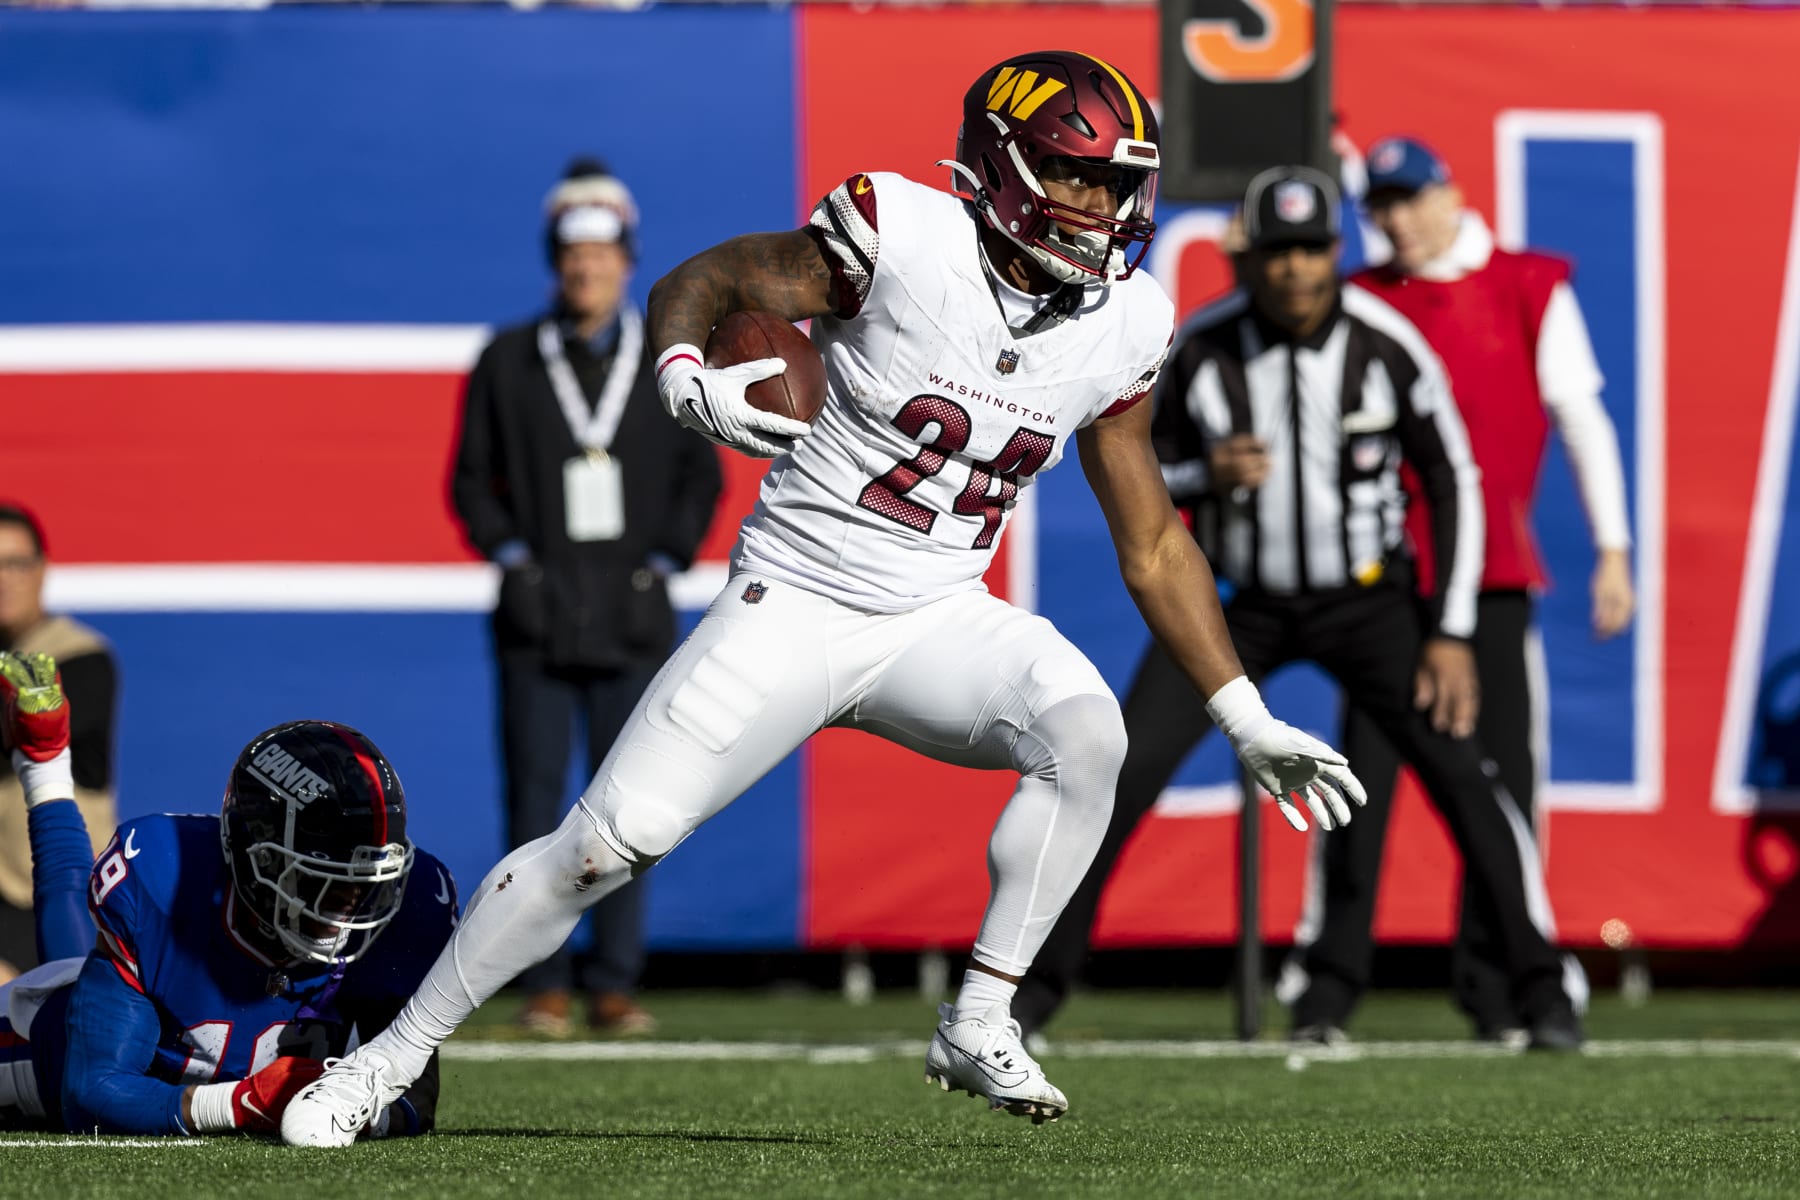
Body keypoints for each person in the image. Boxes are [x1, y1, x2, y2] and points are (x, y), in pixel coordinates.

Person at [281, 51, 1363, 1145]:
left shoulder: (1126, 321)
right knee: (608, 844)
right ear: (1000, 165)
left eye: (1114, 183)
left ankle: (981, 1013)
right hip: (794, 598)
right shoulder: (902, 233)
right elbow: (703, 285)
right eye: (1070, 173)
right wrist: (684, 377)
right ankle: (384, 1061)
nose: (1099, 205)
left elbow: (1154, 540)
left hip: (938, 612)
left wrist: (1245, 714)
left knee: (1087, 736)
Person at [1010, 166, 1585, 1050]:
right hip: (1238, 608)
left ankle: (1543, 992)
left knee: (1468, 784)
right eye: (1278, 253)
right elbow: (1132, 471)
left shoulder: (1386, 341)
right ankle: (1029, 997)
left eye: (1312, 250)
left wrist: (1452, 629)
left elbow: (1453, 478)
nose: (1296, 272)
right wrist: (1209, 476)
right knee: (1117, 773)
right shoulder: (1200, 346)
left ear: (1335, 252)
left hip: (1370, 603)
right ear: (1252, 259)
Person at [1284, 136, 1634, 1042]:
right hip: (1384, 587)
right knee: (1360, 787)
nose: (1394, 219)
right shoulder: (1362, 296)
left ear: (1450, 194)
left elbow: (1581, 416)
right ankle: (1327, 994)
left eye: (1407, 199)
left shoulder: (1525, 283)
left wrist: (1614, 548)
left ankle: (1505, 991)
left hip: (1494, 581)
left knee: (1502, 788)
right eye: (1380, 205)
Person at [451, 157, 722, 1038]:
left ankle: (615, 981)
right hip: (535, 620)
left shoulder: (666, 362)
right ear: (554, 265)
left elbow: (702, 472)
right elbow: (469, 482)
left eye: (602, 256)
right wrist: (515, 558)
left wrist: (663, 560)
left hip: (634, 617)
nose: (587, 271)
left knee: (632, 806)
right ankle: (542, 985)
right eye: (573, 259)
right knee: (533, 807)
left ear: (627, 260)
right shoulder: (507, 359)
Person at [0, 650, 458, 1137]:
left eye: (364, 882)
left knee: (83, 960)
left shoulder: (406, 912)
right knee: (73, 970)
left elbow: (415, 1102)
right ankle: (44, 762)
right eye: (323, 879)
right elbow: (91, 1092)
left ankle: (44, 760)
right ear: (255, 859)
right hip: (31, 1051)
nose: (350, 904)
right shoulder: (164, 879)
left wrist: (359, 1117)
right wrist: (241, 1104)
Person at [0, 504, 118, 985]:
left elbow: (29, 725)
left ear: (42, 569)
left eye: (15, 563)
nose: (2, 578)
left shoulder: (81, 656)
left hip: (61, 896)